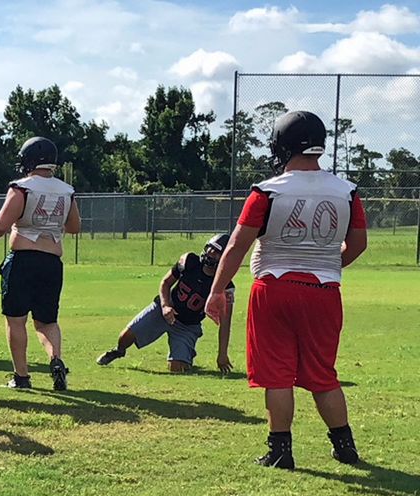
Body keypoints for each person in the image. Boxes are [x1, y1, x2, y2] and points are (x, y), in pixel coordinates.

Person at [206, 110, 368, 470]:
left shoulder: (267, 191)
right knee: (323, 374)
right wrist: (326, 265)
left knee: (277, 374)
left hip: (274, 287)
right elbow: (358, 243)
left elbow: (236, 246)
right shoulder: (347, 192)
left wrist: (217, 289)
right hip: (325, 291)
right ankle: (345, 446)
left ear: (282, 144)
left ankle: (280, 450)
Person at [0, 137, 81, 391]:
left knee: (16, 319)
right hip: (52, 262)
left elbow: (0, 226)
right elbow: (74, 227)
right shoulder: (66, 190)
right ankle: (55, 360)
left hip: (23, 259)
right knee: (47, 321)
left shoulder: (22, 187)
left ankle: (21, 377)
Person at [97, 234, 235, 373]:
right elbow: (166, 282)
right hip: (164, 311)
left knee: (177, 368)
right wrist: (165, 306)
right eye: (210, 248)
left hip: (187, 326)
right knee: (124, 337)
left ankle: (185, 357)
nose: (211, 253)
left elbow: (225, 322)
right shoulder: (189, 261)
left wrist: (222, 354)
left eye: (216, 252)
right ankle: (119, 351)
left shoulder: (226, 285)